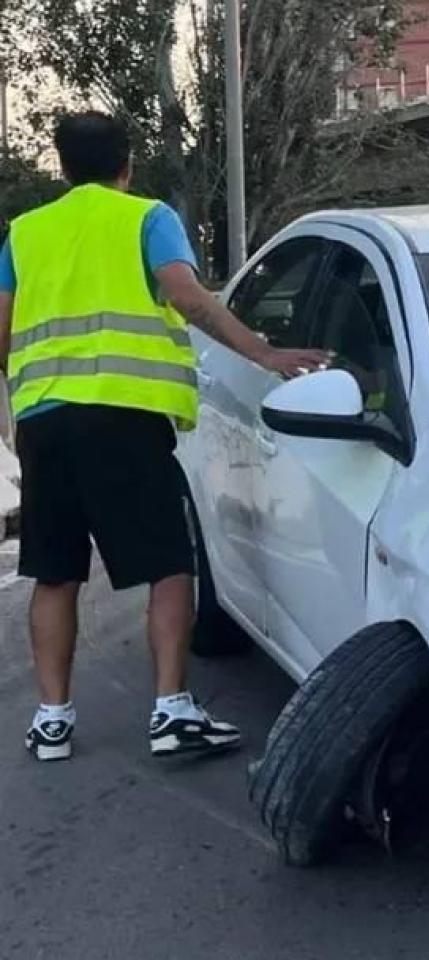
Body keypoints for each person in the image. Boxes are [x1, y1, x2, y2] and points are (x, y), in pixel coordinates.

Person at [0, 112, 329, 762]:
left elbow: (1, 333)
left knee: (55, 572)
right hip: (123, 416)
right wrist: (265, 354)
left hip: (44, 421)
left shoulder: (24, 234)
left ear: (61, 166)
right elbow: (188, 296)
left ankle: (52, 721)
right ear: (126, 164)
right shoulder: (147, 218)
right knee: (169, 564)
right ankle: (173, 710)